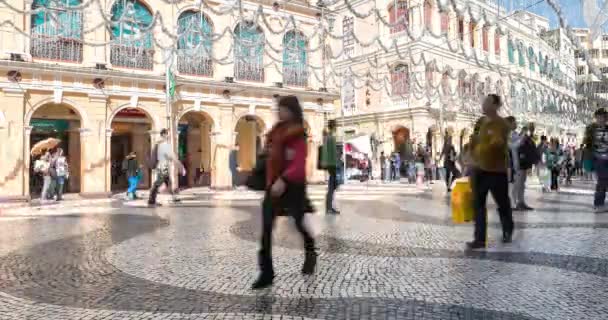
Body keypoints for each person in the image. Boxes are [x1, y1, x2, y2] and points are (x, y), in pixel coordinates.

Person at [252, 95, 316, 289]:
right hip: (274, 185)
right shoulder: (275, 131)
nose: (279, 112)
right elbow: (268, 153)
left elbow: (298, 162)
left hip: (292, 186)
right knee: (266, 229)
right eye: (278, 108)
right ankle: (266, 272)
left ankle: (310, 251)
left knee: (298, 222)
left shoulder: (298, 133)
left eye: (283, 108)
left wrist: (285, 179)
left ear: (292, 110)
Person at [467, 94, 514, 250]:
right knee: (478, 205)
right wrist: (470, 157)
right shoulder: (480, 122)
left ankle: (507, 230)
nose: (483, 104)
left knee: (502, 203)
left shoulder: (502, 124)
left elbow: (499, 143)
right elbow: (473, 141)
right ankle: (479, 239)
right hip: (479, 170)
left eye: (486, 102)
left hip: (496, 170)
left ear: (495, 105)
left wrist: (493, 142)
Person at [148, 129, 186, 206]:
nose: (168, 136)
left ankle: (173, 197)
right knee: (158, 183)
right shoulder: (164, 144)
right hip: (163, 167)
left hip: (161, 167)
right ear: (164, 135)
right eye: (167, 134)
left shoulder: (158, 144)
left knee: (168, 182)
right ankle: (151, 200)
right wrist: (181, 166)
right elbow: (172, 157)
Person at [583, 108, 608, 213]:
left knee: (604, 180)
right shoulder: (591, 130)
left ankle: (600, 202)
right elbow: (588, 146)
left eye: (602, 117)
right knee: (602, 180)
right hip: (598, 158)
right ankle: (598, 203)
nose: (600, 119)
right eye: (598, 117)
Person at [513, 124, 537, 211]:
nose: (531, 130)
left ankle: (521, 202)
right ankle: (516, 203)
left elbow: (530, 149)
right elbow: (519, 147)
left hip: (525, 165)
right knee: (518, 184)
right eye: (530, 128)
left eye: (532, 129)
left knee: (522, 184)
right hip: (519, 164)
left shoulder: (529, 138)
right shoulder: (520, 137)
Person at [321, 119, 339, 214]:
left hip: (330, 164)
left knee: (332, 186)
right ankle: (329, 208)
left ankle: (329, 207)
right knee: (332, 186)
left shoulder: (328, 136)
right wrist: (334, 164)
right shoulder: (331, 137)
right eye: (336, 125)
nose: (337, 127)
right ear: (334, 126)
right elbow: (331, 153)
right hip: (332, 164)